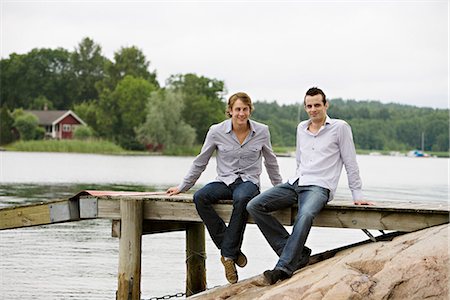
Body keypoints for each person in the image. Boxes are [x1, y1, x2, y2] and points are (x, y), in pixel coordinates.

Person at [247, 87, 373, 285]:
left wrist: (357, 193)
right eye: (309, 106)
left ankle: (283, 268)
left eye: (317, 105)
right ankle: (298, 252)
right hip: (296, 182)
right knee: (254, 205)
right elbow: (299, 160)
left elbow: (350, 162)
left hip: (319, 186)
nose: (313, 109)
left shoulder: (340, 128)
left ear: (326, 105)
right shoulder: (301, 128)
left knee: (305, 215)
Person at [166, 92, 282, 284]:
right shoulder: (216, 131)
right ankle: (231, 251)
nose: (241, 114)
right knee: (200, 197)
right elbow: (201, 161)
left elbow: (271, 162)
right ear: (230, 111)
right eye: (237, 109)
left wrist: (280, 190)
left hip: (248, 182)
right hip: (224, 181)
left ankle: (227, 255)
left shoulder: (262, 131)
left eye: (245, 109)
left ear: (250, 110)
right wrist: (183, 186)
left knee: (242, 199)